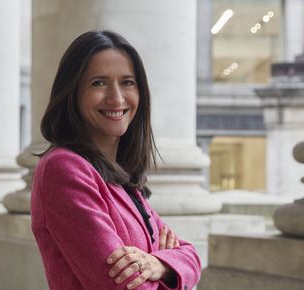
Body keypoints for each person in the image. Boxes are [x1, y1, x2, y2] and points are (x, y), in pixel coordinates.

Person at [31, 30, 201, 290]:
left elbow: (192, 256)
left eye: (127, 82)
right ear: (72, 93)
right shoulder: (64, 169)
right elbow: (122, 286)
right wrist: (171, 265)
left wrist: (162, 265)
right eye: (98, 83)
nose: (117, 98)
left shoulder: (123, 180)